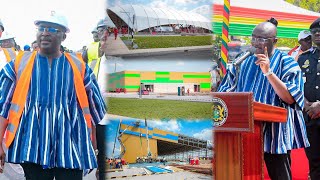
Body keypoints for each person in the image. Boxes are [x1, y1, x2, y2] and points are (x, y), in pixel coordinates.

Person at [0, 11, 106, 180]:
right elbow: (3, 107)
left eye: (52, 29)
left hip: (70, 147)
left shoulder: (80, 68)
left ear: (63, 36)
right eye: (41, 28)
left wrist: (97, 151)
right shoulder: (18, 65)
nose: (45, 32)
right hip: (32, 146)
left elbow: (94, 114)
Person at [218, 19, 309, 180]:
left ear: (275, 41)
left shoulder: (287, 63)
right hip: (245, 132)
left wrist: (268, 72)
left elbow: (290, 98)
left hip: (275, 134)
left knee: (279, 175)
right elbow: (225, 92)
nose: (256, 43)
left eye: (262, 39)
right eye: (254, 38)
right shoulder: (242, 61)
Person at [297, 18, 320, 180]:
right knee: (314, 160)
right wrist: (305, 103)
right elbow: (296, 85)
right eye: (314, 31)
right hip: (310, 118)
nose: (317, 33)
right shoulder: (304, 59)